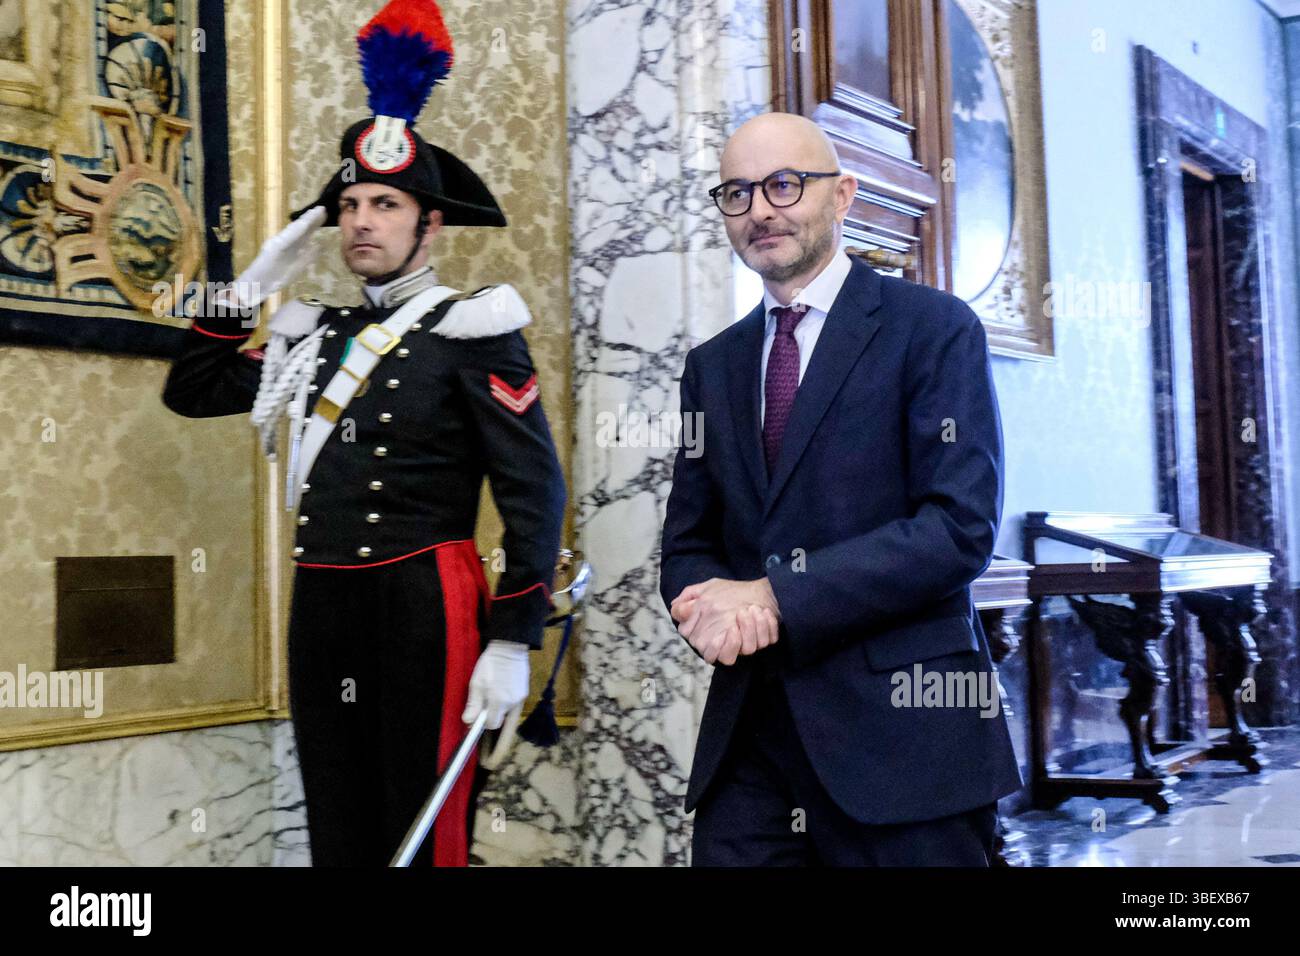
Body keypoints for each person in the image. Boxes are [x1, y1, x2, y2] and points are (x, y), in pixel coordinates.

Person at [162, 0, 566, 866]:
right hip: (325, 601)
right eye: (348, 206)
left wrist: (512, 637)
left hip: (427, 600)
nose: (361, 222)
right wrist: (252, 282)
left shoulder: (474, 328)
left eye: (385, 203)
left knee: (422, 825)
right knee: (339, 822)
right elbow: (191, 391)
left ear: (432, 224)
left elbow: (536, 493)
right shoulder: (315, 338)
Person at [659, 111, 1022, 866]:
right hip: (751, 747)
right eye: (736, 193)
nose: (760, 210)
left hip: (906, 745)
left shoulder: (935, 328)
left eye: (784, 185)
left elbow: (957, 529)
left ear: (843, 193)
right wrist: (702, 604)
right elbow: (691, 542)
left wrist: (774, 597)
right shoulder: (713, 365)